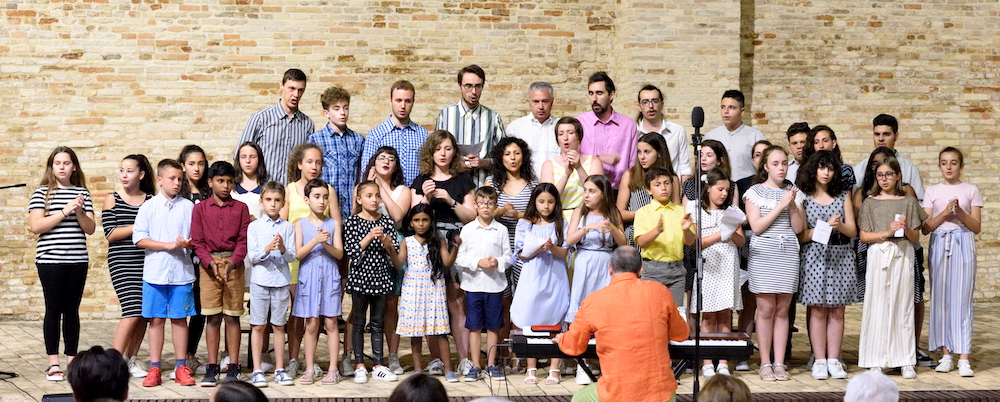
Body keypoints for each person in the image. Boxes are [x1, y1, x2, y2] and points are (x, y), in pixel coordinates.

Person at [557, 246, 688, 402]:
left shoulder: (594, 300)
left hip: (619, 391)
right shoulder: (660, 292)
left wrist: (561, 338)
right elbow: (681, 334)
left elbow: (574, 346)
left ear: (610, 269)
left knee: (579, 398)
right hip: (660, 393)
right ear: (641, 270)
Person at [411, 130, 477, 377]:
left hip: (456, 241)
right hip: (429, 242)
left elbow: (471, 216)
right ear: (431, 152)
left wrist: (450, 200)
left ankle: (464, 359)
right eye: (438, 149)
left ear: (454, 152)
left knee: (457, 302)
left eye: (448, 149)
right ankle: (436, 359)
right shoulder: (421, 180)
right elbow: (414, 217)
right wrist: (427, 198)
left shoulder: (462, 181)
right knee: (432, 303)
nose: (443, 153)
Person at [28, 147, 96, 382]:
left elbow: (90, 229)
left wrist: (79, 212)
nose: (62, 167)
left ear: (74, 167)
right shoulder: (42, 193)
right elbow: (36, 226)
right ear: (52, 167)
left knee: (72, 310)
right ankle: (53, 363)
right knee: (53, 309)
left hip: (77, 259)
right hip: (50, 260)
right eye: (57, 163)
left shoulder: (82, 193)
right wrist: (64, 211)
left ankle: (72, 361)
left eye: (66, 163)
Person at [857, 156, 927, 378]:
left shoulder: (908, 201)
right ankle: (875, 359)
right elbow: (864, 236)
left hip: (902, 253)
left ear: (898, 176)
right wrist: (886, 233)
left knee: (902, 305)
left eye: (888, 174)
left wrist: (905, 228)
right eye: (880, 175)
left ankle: (905, 359)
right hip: (879, 253)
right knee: (877, 304)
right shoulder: (870, 202)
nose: (884, 179)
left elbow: (916, 237)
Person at [133, 159, 197, 387]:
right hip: (155, 273)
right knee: (156, 319)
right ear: (160, 180)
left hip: (181, 273)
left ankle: (181, 367)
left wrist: (188, 243)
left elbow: (197, 238)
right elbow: (139, 238)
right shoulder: (148, 207)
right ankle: (155, 368)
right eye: (172, 178)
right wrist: (168, 245)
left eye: (180, 179)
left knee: (180, 319)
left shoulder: (188, 207)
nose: (177, 183)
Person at [743, 145, 805, 381]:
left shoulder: (794, 191)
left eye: (784, 163)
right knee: (766, 309)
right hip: (764, 253)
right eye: (776, 164)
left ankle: (779, 361)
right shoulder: (755, 192)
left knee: (782, 309)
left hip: (787, 252)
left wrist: (792, 204)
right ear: (766, 167)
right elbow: (757, 226)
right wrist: (780, 205)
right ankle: (765, 361)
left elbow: (798, 228)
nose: (781, 168)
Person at [795, 150, 857, 380]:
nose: (826, 173)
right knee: (818, 310)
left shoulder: (842, 196)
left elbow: (852, 230)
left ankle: (834, 359)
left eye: (830, 169)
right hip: (815, 255)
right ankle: (819, 360)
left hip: (840, 254)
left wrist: (838, 226)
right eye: (822, 168)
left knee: (838, 310)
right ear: (813, 170)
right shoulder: (804, 196)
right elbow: (802, 234)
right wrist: (824, 227)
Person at [190, 161, 252, 387]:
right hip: (209, 268)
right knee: (213, 317)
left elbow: (243, 240)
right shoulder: (200, 209)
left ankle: (234, 366)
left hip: (233, 265)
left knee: (232, 316)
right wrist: (210, 263)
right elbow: (197, 241)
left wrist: (232, 263)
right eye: (220, 181)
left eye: (229, 181)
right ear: (210, 182)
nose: (225, 186)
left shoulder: (241, 208)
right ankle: (212, 366)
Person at [280, 142, 339, 377]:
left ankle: (323, 365)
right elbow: (283, 224)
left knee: (321, 317)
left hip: (325, 260)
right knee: (300, 313)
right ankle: (296, 359)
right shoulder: (289, 190)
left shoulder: (328, 190)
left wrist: (326, 239)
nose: (314, 166)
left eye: (318, 162)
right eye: (309, 162)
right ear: (299, 164)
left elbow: (336, 223)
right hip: (298, 258)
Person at [923, 147, 982, 377]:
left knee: (962, 299)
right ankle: (946, 354)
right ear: (939, 165)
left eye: (953, 163)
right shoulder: (932, 190)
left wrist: (960, 213)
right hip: (940, 242)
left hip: (962, 241)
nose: (948, 167)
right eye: (944, 163)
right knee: (941, 299)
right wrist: (945, 213)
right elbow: (926, 227)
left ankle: (963, 357)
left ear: (961, 166)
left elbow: (976, 226)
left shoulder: (971, 189)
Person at [566, 175, 626, 384]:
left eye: (592, 191)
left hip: (605, 262)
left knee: (605, 314)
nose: (587, 195)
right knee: (583, 311)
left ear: (603, 193)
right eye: (585, 191)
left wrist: (612, 229)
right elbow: (569, 239)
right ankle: (582, 365)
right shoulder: (579, 213)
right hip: (584, 262)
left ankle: (605, 364)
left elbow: (623, 242)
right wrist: (587, 228)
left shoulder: (613, 213)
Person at [510, 183, 570, 385]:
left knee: (556, 318)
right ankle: (531, 368)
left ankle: (554, 368)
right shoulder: (525, 224)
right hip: (533, 275)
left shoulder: (561, 223)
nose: (546, 206)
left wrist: (552, 247)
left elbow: (564, 253)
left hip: (555, 276)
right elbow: (521, 254)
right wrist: (537, 248)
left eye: (550, 202)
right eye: (542, 201)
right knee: (530, 317)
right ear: (534, 202)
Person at [102, 154, 155, 378]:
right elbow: (110, 234)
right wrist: (138, 225)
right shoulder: (112, 199)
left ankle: (130, 360)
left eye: (130, 171)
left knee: (144, 314)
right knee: (132, 310)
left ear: (141, 174)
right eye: (122, 170)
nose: (124, 175)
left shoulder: (151, 200)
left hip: (147, 261)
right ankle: (113, 364)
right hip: (122, 262)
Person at [690, 168, 745, 378]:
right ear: (708, 188)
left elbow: (741, 240)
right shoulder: (698, 212)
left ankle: (723, 361)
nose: (724, 194)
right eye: (720, 189)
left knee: (725, 314)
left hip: (728, 264)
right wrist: (721, 233)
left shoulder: (731, 212)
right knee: (708, 314)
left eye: (727, 190)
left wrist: (733, 230)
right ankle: (707, 362)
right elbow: (698, 242)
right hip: (709, 266)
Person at [344, 181, 401, 383]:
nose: (374, 200)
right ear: (359, 199)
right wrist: (369, 236)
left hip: (381, 278)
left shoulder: (386, 222)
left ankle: (378, 364)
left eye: (377, 196)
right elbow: (351, 252)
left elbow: (394, 255)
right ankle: (359, 364)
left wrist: (388, 245)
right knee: (358, 322)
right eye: (369, 196)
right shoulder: (352, 222)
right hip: (360, 278)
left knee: (378, 323)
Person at [363, 146, 412, 375]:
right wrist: (369, 186)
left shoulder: (403, 190)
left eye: (391, 159)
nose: (386, 161)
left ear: (396, 165)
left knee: (391, 304)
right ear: (373, 162)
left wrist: (381, 188)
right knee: (362, 303)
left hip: (393, 245)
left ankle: (392, 355)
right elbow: (354, 213)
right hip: (367, 246)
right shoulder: (363, 188)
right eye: (381, 157)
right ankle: (355, 356)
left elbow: (397, 215)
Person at [394, 204, 459, 378]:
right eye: (416, 220)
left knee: (440, 330)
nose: (421, 224)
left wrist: (456, 248)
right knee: (415, 332)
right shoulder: (407, 242)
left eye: (425, 220)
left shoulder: (438, 241)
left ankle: (448, 369)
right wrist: (389, 248)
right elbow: (399, 264)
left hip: (433, 288)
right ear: (411, 222)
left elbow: (447, 263)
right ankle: (418, 370)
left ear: (431, 221)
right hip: (413, 288)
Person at [455, 187, 512, 381]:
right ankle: (476, 365)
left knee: (494, 326)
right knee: (474, 326)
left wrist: (497, 261)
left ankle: (491, 364)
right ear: (475, 206)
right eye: (482, 203)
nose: (486, 207)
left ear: (495, 206)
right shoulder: (468, 229)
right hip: (473, 285)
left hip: (494, 285)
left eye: (490, 203)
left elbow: (508, 256)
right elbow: (460, 258)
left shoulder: (501, 230)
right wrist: (478, 262)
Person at [292, 179, 345, 385]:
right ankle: (309, 367)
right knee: (312, 323)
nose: (321, 201)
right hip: (309, 277)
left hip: (329, 277)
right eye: (317, 197)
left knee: (331, 322)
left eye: (325, 197)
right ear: (307, 199)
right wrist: (315, 240)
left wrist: (326, 243)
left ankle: (333, 368)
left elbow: (339, 254)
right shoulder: (300, 224)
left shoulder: (333, 224)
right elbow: (298, 254)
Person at [487, 136, 537, 351]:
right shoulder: (491, 183)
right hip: (499, 247)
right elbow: (483, 212)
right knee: (502, 299)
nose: (513, 158)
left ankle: (522, 350)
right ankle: (503, 349)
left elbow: (540, 214)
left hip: (525, 248)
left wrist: (517, 215)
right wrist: (500, 212)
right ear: (500, 157)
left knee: (523, 298)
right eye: (507, 154)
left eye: (517, 153)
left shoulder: (533, 184)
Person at [246, 181, 296, 387]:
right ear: (261, 201)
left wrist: (282, 248)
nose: (273, 204)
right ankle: (257, 369)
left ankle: (280, 369)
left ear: (283, 202)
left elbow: (292, 256)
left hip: (281, 282)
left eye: (277, 200)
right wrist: (267, 248)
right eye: (268, 200)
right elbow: (252, 256)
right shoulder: (254, 227)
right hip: (260, 282)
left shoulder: (288, 227)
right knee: (258, 325)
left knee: (279, 325)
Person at [234, 68, 313, 185]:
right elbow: (239, 155)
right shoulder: (260, 118)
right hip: (263, 189)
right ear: (281, 86)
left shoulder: (307, 124)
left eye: (300, 90)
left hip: (292, 191)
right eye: (291, 88)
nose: (296, 95)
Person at [733, 139, 770, 373]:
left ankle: (773, 353)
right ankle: (742, 351)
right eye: (757, 155)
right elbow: (739, 218)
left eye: (765, 154)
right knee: (747, 303)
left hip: (773, 246)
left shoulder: (783, 185)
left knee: (770, 304)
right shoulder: (743, 184)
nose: (761, 158)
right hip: (748, 244)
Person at [435, 64, 506, 185]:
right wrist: (455, 163)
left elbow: (505, 157)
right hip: (451, 186)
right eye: (468, 86)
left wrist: (485, 163)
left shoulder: (493, 117)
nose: (473, 91)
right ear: (460, 86)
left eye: (478, 86)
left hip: (483, 188)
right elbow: (434, 153)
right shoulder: (445, 115)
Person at [634, 167, 692, 306]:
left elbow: (690, 242)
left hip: (677, 269)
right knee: (653, 311)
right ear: (649, 190)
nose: (663, 188)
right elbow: (641, 242)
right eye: (657, 185)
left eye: (667, 183)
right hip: (653, 269)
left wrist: (686, 230)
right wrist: (656, 231)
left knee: (675, 311)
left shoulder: (682, 211)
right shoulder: (643, 212)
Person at [309, 86, 365, 222]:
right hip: (326, 211)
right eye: (336, 108)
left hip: (352, 211)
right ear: (326, 113)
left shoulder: (358, 140)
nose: (342, 113)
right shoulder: (315, 139)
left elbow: (361, 174)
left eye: (345, 108)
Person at [176, 145, 209, 375]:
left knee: (200, 308)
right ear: (183, 166)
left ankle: (190, 353)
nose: (196, 168)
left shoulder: (208, 192)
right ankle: (180, 354)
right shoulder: (179, 193)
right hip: (182, 256)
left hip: (203, 257)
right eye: (191, 164)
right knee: (182, 306)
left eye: (200, 163)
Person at [576, 72, 638, 190]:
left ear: (611, 95)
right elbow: (571, 157)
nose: (594, 99)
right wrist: (599, 158)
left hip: (620, 190)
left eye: (599, 93)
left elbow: (633, 163)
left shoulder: (628, 125)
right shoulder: (579, 123)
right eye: (591, 93)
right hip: (586, 189)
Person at [363, 80, 430, 187]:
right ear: (390, 101)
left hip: (415, 194)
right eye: (398, 100)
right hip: (385, 194)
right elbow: (366, 172)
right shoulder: (376, 134)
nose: (403, 106)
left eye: (407, 101)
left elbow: (429, 169)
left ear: (413, 102)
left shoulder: (423, 135)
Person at [619, 133, 680, 248]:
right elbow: (619, 213)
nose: (642, 157)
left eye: (647, 152)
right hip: (637, 233)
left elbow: (677, 210)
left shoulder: (673, 179)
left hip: (664, 234)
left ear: (659, 153)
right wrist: (645, 213)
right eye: (639, 152)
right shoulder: (630, 175)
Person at [541, 116, 604, 220]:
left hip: (587, 216)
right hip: (558, 218)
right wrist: (566, 175)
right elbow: (547, 198)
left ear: (579, 137)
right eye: (561, 134)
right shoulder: (549, 165)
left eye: (570, 133)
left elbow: (598, 192)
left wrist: (579, 167)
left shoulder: (594, 161)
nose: (565, 138)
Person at [704, 90, 766, 182]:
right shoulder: (711, 136)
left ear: (742, 111)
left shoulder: (755, 136)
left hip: (747, 186)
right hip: (718, 186)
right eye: (723, 107)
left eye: (732, 108)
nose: (726, 111)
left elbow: (763, 167)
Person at [635, 84, 692, 183]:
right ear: (639, 107)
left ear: (662, 104)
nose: (651, 106)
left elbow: (684, 167)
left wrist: (684, 191)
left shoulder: (677, 131)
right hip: (641, 187)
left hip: (672, 187)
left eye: (655, 101)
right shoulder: (633, 132)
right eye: (645, 102)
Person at [506, 81, 560, 178]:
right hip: (525, 184)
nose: (540, 107)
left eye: (545, 101)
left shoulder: (561, 127)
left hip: (556, 184)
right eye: (536, 101)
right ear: (529, 102)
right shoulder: (515, 128)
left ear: (552, 102)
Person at [804, 125, 856, 199]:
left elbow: (847, 198)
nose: (821, 146)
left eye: (825, 141)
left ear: (833, 143)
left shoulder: (845, 170)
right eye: (816, 142)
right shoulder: (806, 168)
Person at [232, 141, 268, 219]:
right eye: (243, 157)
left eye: (252, 157)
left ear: (259, 159)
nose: (248, 161)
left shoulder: (268, 187)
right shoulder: (231, 187)